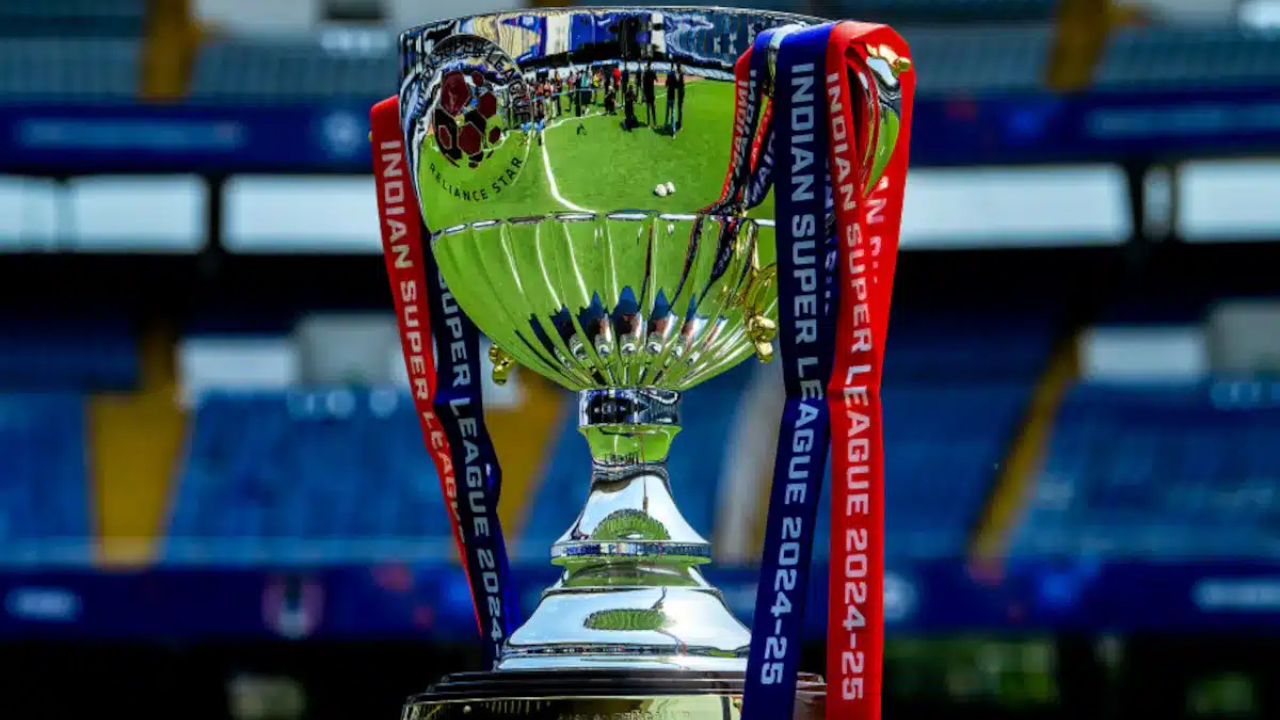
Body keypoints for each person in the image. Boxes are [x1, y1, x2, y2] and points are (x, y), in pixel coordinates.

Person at [643, 62, 657, 126]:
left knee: (648, 108)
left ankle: (648, 123)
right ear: (650, 65)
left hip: (647, 93)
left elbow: (644, 84)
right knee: (653, 108)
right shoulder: (652, 72)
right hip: (652, 93)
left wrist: (644, 95)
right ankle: (654, 123)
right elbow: (656, 80)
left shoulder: (645, 73)